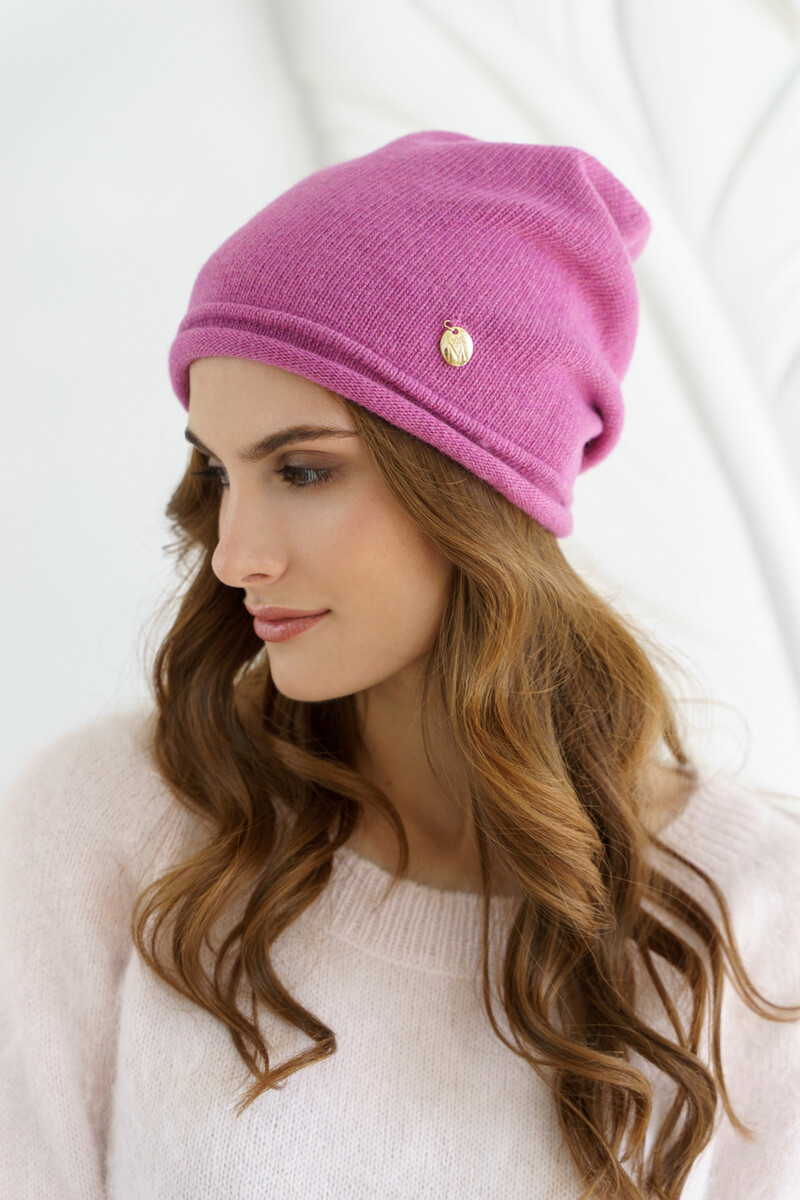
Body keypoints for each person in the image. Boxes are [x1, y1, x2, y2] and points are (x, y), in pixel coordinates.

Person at [1, 130, 799, 1200]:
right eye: (220, 472)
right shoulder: (111, 824)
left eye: (301, 470)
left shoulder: (752, 917)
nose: (234, 556)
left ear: (475, 488)